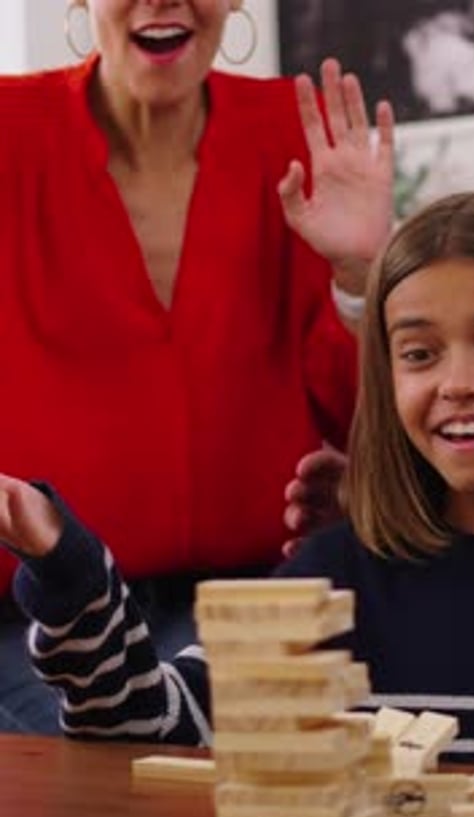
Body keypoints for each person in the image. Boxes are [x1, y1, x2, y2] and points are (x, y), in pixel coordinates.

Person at [0, 0, 395, 733]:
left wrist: (358, 274)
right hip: (43, 609)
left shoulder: (296, 135)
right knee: (105, 793)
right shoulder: (9, 131)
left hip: (263, 595)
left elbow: (365, 420)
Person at [6, 189, 474, 761]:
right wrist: (70, 571)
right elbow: (151, 733)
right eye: (419, 354)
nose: (459, 381)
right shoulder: (329, 578)